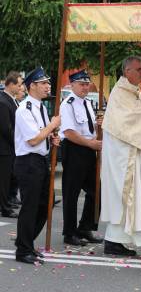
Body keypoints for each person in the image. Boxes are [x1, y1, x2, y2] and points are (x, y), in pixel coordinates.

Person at [101, 56, 141, 258]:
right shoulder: (120, 93)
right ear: (127, 71)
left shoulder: (133, 92)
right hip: (124, 158)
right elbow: (131, 121)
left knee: (127, 200)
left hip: (131, 153)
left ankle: (113, 241)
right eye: (139, 69)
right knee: (133, 198)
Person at [14, 67, 61, 264]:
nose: (47, 86)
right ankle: (23, 250)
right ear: (32, 86)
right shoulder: (25, 109)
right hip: (28, 163)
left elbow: (41, 135)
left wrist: (51, 138)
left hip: (41, 161)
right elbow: (33, 139)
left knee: (45, 204)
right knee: (30, 207)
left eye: (48, 83)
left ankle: (26, 242)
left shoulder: (41, 107)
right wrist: (52, 125)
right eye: (43, 83)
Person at [60, 69, 103, 247]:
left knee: (96, 191)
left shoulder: (87, 103)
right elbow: (69, 132)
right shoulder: (67, 104)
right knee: (71, 193)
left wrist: (98, 125)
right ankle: (69, 233)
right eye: (82, 84)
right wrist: (90, 144)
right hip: (74, 149)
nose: (86, 87)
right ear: (72, 85)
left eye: (87, 84)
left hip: (87, 150)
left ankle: (85, 227)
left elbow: (90, 129)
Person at [0, 71, 23, 218]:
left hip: (10, 148)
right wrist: (19, 141)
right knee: (3, 180)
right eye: (19, 84)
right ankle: (5, 208)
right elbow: (6, 128)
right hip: (4, 149)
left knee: (8, 179)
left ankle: (6, 203)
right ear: (11, 84)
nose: (21, 87)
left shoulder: (11, 99)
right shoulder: (2, 101)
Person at [9, 83, 26, 208]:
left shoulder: (19, 104)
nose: (23, 93)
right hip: (11, 145)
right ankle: (10, 198)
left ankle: (13, 196)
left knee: (14, 175)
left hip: (16, 146)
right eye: (21, 91)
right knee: (11, 175)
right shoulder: (15, 104)